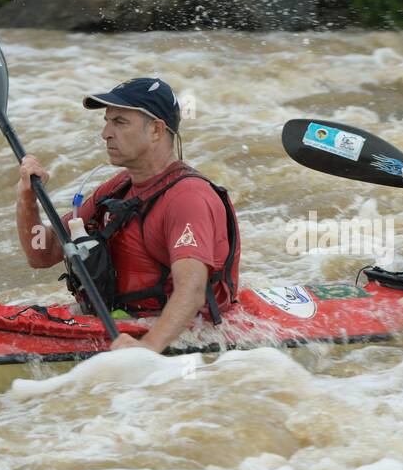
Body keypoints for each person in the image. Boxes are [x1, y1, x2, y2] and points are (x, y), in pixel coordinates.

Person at [16, 77, 240, 353]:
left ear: (157, 129)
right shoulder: (119, 187)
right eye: (106, 121)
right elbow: (42, 253)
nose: (106, 133)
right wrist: (27, 197)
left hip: (188, 335)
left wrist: (147, 348)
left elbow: (191, 291)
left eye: (120, 122)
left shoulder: (188, 198)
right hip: (121, 322)